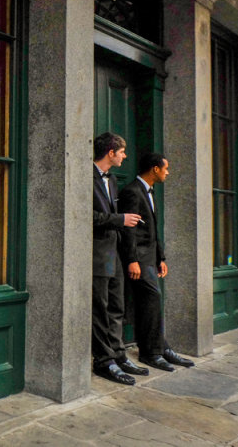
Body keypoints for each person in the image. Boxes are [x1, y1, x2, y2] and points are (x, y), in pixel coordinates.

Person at [118, 152, 195, 371]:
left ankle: (161, 347)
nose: (167, 172)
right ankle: (151, 353)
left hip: (150, 258)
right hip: (139, 259)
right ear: (155, 169)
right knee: (152, 300)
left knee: (150, 303)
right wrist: (132, 260)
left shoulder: (150, 192)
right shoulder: (132, 191)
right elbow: (128, 230)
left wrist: (161, 257)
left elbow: (153, 229)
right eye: (166, 168)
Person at [92, 132, 146, 385]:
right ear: (110, 153)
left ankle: (118, 354)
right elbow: (84, 215)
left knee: (117, 307)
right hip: (96, 255)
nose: (125, 156)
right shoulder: (85, 176)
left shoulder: (112, 179)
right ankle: (104, 362)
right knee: (100, 310)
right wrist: (120, 219)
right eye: (122, 152)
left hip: (115, 255)